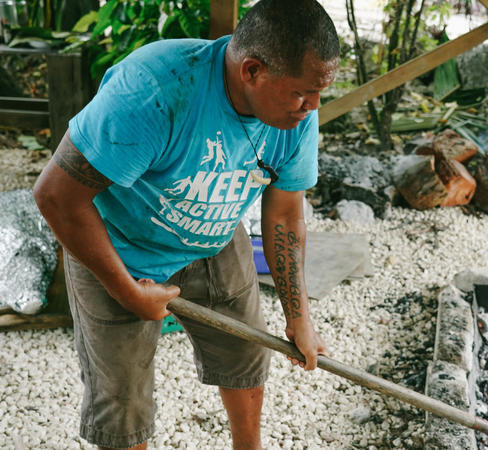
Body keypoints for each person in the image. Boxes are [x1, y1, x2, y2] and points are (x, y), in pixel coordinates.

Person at [32, 1, 339, 448]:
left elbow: (285, 214)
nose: (312, 108)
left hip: (215, 235)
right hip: (121, 243)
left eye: (319, 93)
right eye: (302, 94)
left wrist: (299, 317)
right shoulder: (153, 90)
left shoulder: (296, 114)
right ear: (251, 71)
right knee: (121, 403)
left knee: (246, 353)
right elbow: (56, 196)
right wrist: (127, 291)